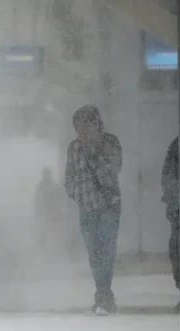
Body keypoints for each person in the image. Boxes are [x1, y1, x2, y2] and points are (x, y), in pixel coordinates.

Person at [64, 105, 123, 315]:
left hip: (108, 206)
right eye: (79, 126)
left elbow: (112, 171)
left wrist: (93, 153)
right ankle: (102, 293)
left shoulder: (110, 143)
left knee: (106, 251)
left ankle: (104, 295)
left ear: (97, 124)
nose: (83, 131)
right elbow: (69, 177)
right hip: (86, 208)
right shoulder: (73, 148)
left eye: (87, 125)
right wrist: (76, 193)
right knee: (93, 252)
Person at [161, 136, 180, 308]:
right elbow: (167, 178)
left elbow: (167, 177)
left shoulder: (179, 145)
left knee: (178, 249)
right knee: (177, 249)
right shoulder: (178, 145)